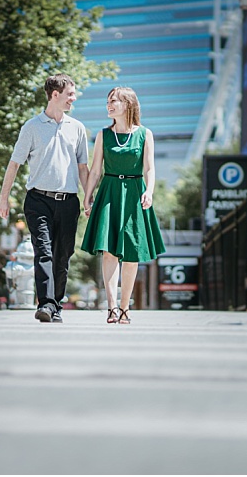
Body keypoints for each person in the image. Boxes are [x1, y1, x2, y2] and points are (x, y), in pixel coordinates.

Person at [0, 74, 89, 323]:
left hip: (69, 201)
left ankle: (56, 303)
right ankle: (46, 304)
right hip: (38, 200)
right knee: (44, 251)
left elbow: (83, 168)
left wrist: (89, 197)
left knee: (63, 255)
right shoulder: (32, 127)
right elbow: (14, 164)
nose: (74, 98)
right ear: (55, 95)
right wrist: (3, 199)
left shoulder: (77, 128)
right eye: (70, 93)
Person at [81, 86, 165, 325]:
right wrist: (88, 195)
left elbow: (149, 168)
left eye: (114, 100)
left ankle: (126, 307)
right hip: (109, 192)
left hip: (135, 193)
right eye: (108, 101)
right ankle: (112, 307)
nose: (109, 105)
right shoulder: (103, 135)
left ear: (128, 104)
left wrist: (149, 191)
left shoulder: (145, 134)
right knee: (109, 252)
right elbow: (95, 169)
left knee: (131, 253)